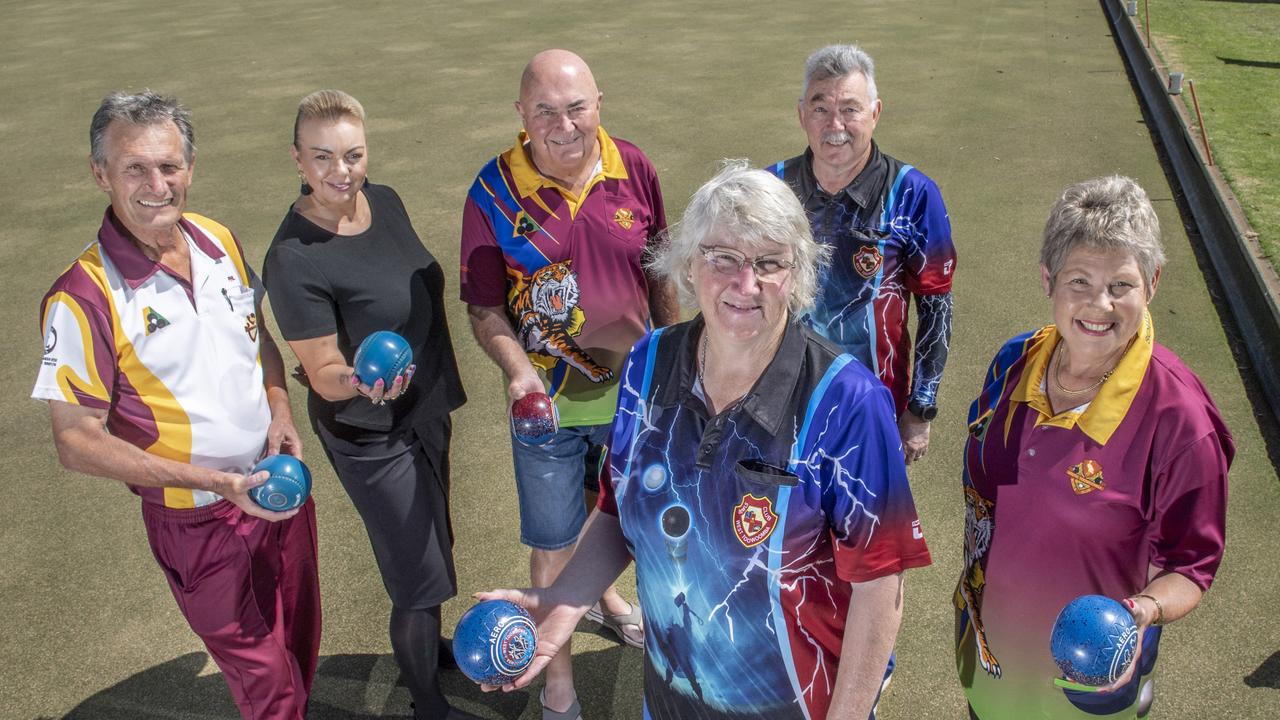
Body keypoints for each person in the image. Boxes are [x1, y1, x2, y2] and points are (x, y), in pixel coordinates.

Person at [480, 162, 933, 720]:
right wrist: (564, 599)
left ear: (797, 275)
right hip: (670, 704)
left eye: (770, 262)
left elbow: (880, 582)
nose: (746, 284)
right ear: (690, 265)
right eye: (723, 258)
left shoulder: (849, 400)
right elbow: (620, 508)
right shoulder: (648, 363)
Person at [32, 91, 320, 719]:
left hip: (281, 488)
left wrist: (281, 410)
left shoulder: (218, 237)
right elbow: (76, 441)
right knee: (265, 676)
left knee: (299, 648)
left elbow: (258, 339)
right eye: (134, 167)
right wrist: (217, 482)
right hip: (198, 522)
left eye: (169, 166)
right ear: (99, 173)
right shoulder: (81, 295)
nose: (156, 184)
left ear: (190, 168)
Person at [955, 176, 1233, 719]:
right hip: (992, 662)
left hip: (1084, 694)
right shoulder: (1013, 361)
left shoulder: (1181, 420)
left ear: (1152, 283)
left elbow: (1191, 564)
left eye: (1121, 285)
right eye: (1079, 280)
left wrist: (1143, 610)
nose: (1099, 304)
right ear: (1047, 280)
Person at [460, 49, 678, 719]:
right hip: (545, 407)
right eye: (546, 111)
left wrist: (676, 362)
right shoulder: (492, 191)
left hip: (636, 399)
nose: (564, 125)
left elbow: (661, 271)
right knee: (554, 544)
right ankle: (559, 685)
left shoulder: (633, 166)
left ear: (599, 104)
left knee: (640, 525)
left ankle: (617, 609)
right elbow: (484, 306)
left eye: (577, 107)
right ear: (522, 115)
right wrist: (521, 371)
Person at [260, 90, 475, 720]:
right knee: (415, 571)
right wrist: (362, 382)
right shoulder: (293, 258)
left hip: (423, 406)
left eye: (352, 154)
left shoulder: (382, 199)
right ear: (297, 158)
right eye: (323, 157)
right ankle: (427, 704)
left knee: (435, 539)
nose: (341, 171)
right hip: (370, 431)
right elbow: (323, 372)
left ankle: (428, 648)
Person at [771, 43, 956, 465]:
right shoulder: (772, 190)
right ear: (802, 114)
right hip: (781, 409)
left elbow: (936, 308)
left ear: (875, 113)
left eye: (850, 109)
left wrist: (921, 408)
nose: (835, 125)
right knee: (787, 527)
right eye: (821, 109)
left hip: (875, 407)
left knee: (868, 529)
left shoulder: (913, 194)